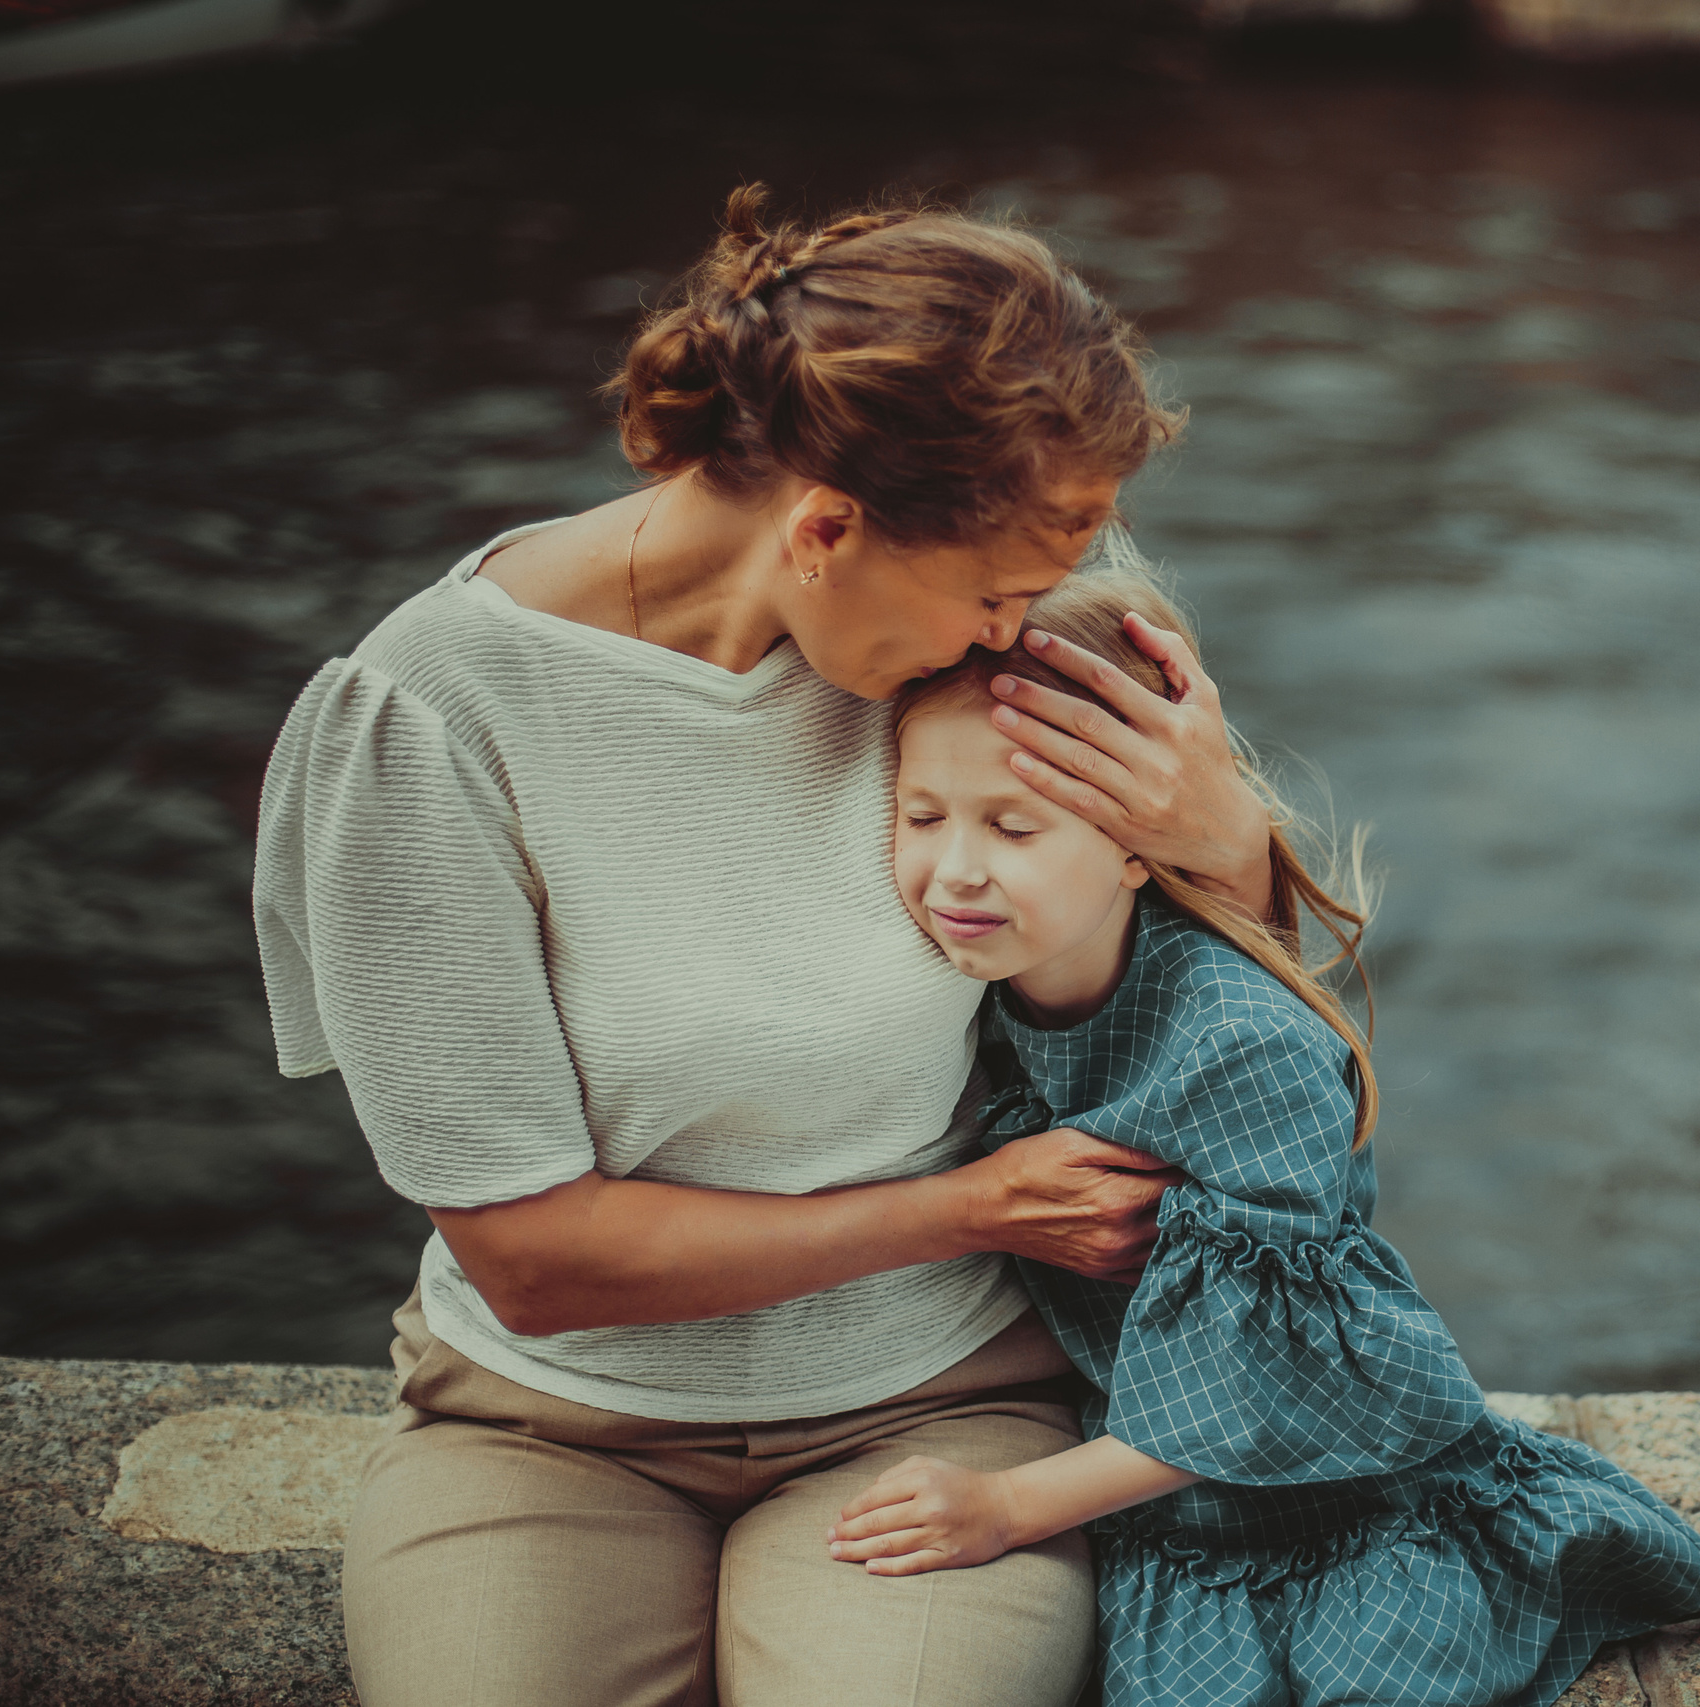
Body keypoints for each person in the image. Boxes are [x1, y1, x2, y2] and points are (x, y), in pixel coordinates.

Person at [251, 186, 1278, 1707]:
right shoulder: (431, 718)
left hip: (937, 1413)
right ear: (822, 526)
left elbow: (1230, 1036)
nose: (1013, 639)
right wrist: (971, 1206)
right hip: (546, 1420)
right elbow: (528, 1257)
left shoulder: (982, 638)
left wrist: (1220, 837)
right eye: (990, 595)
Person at [855, 568, 1700, 1707]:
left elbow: (1266, 1388)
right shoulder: (980, 996)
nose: (957, 869)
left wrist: (1005, 1507)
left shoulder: (1237, 1046)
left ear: (1139, 846)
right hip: (1166, 1491)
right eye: (923, 816)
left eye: (1015, 825)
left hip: (1334, 1493)